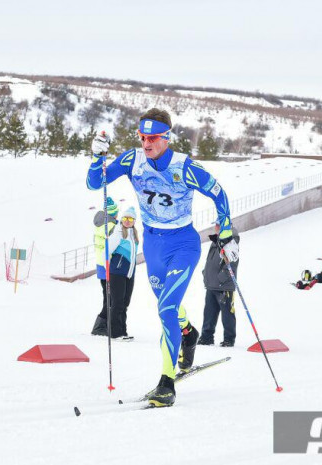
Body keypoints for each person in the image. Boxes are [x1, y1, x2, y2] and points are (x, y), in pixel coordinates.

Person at [86, 108, 237, 408]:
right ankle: (189, 332)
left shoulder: (184, 167)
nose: (146, 143)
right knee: (166, 304)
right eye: (142, 137)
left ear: (167, 138)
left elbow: (218, 193)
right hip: (153, 245)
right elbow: (95, 183)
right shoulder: (133, 160)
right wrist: (96, 158)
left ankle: (166, 383)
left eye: (153, 138)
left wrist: (227, 232)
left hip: (182, 243)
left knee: (166, 306)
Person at [198, 224, 240, 347]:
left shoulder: (231, 241)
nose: (215, 227)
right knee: (209, 313)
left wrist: (220, 278)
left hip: (224, 285)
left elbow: (232, 263)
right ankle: (206, 337)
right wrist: (206, 273)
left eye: (217, 225)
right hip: (211, 284)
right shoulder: (217, 240)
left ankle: (229, 339)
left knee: (227, 314)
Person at [104, 207, 139, 340]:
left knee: (125, 302)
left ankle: (123, 331)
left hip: (129, 273)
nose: (127, 221)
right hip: (117, 272)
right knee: (117, 302)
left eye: (130, 219)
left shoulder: (134, 235)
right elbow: (106, 252)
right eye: (125, 218)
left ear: (134, 221)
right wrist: (107, 269)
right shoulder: (118, 234)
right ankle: (115, 332)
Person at [90, 197, 119, 336]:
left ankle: (104, 325)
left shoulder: (99, 224)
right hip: (109, 266)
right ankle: (100, 327)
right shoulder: (111, 226)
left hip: (101, 265)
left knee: (107, 296)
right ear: (114, 213)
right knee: (110, 298)